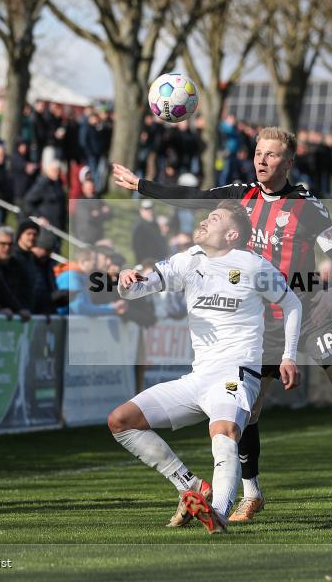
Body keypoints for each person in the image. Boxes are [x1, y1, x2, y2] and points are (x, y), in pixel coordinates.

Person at [113, 126, 332, 523]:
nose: (261, 161)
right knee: (247, 411)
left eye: (272, 155)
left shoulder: (308, 207)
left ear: (288, 162)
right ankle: (252, 492)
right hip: (261, 323)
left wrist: (329, 291)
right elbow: (194, 198)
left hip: (308, 316)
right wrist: (141, 184)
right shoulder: (241, 195)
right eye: (258, 153)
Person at [107, 200, 303, 534]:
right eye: (206, 216)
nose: (204, 221)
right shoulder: (188, 260)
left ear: (232, 233)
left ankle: (218, 513)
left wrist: (289, 356)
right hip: (198, 377)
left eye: (214, 218)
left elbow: (292, 303)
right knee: (121, 421)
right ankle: (191, 486)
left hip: (236, 374)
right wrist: (126, 281)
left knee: (223, 433)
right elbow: (142, 287)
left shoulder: (253, 265)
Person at [0, 225, 33, 319]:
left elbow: (25, 294)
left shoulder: (18, 267)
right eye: (2, 244)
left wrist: (22, 309)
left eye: (10, 244)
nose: (7, 248)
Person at [72, 166, 111, 244]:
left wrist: (98, 213)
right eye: (88, 188)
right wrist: (101, 212)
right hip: (85, 237)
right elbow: (89, 217)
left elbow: (109, 213)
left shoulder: (98, 198)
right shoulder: (81, 201)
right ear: (83, 188)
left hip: (97, 235)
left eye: (91, 187)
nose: (91, 189)